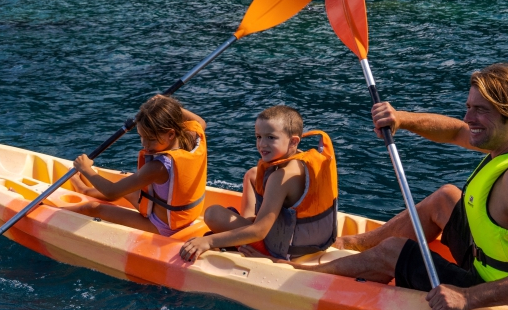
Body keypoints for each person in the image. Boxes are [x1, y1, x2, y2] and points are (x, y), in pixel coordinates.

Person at [290, 63, 508, 310]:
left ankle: (299, 276)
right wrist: (401, 119)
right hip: (505, 269)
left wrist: (467, 298)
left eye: (480, 111)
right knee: (446, 198)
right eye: (468, 107)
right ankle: (353, 243)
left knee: (395, 251)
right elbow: (454, 131)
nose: (469, 118)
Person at [179, 105, 339, 261]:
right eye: (259, 137)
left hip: (284, 250)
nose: (262, 144)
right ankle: (244, 227)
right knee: (252, 174)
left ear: (293, 141)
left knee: (212, 214)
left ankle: (245, 240)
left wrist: (208, 242)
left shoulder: (281, 177)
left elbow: (259, 232)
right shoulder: (302, 161)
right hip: (314, 242)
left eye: (271, 137)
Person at [65, 95, 208, 236]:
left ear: (171, 134)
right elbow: (200, 121)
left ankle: (50, 212)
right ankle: (84, 190)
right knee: (126, 189)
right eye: (141, 137)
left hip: (163, 227)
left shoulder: (158, 167)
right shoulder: (191, 138)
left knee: (92, 208)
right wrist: (168, 105)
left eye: (151, 139)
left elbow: (111, 191)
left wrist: (85, 168)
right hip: (185, 217)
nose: (145, 145)